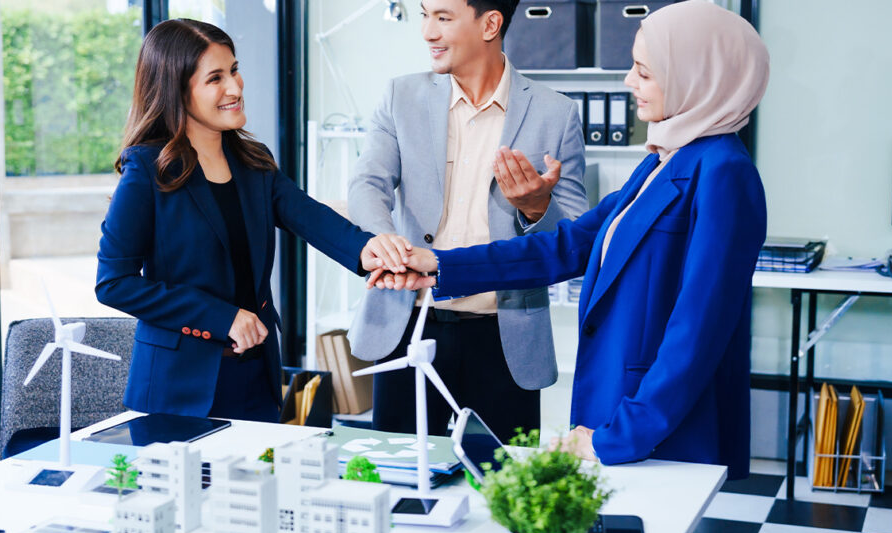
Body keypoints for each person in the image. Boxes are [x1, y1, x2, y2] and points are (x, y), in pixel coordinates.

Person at [382, 0, 769, 479]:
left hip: (653, 424)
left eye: (644, 73)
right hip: (615, 408)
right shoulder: (660, 161)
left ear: (700, 79)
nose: (629, 81)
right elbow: (566, 247)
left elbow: (698, 331)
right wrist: (441, 264)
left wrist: (619, 435)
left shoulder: (725, 173)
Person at [96, 19, 412, 422]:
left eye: (234, 70)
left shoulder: (254, 163)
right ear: (176, 90)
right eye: (215, 78)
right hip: (178, 387)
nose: (235, 87)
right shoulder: (148, 169)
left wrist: (373, 250)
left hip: (254, 376)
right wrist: (220, 315)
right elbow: (114, 282)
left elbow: (313, 218)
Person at [346, 0, 588, 441]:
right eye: (424, 15)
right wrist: (385, 240)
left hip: (503, 336)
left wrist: (536, 207)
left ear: (490, 24)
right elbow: (367, 184)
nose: (427, 32)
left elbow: (575, 237)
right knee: (403, 484)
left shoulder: (556, 113)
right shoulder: (401, 96)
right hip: (409, 324)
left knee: (500, 489)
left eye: (443, 17)